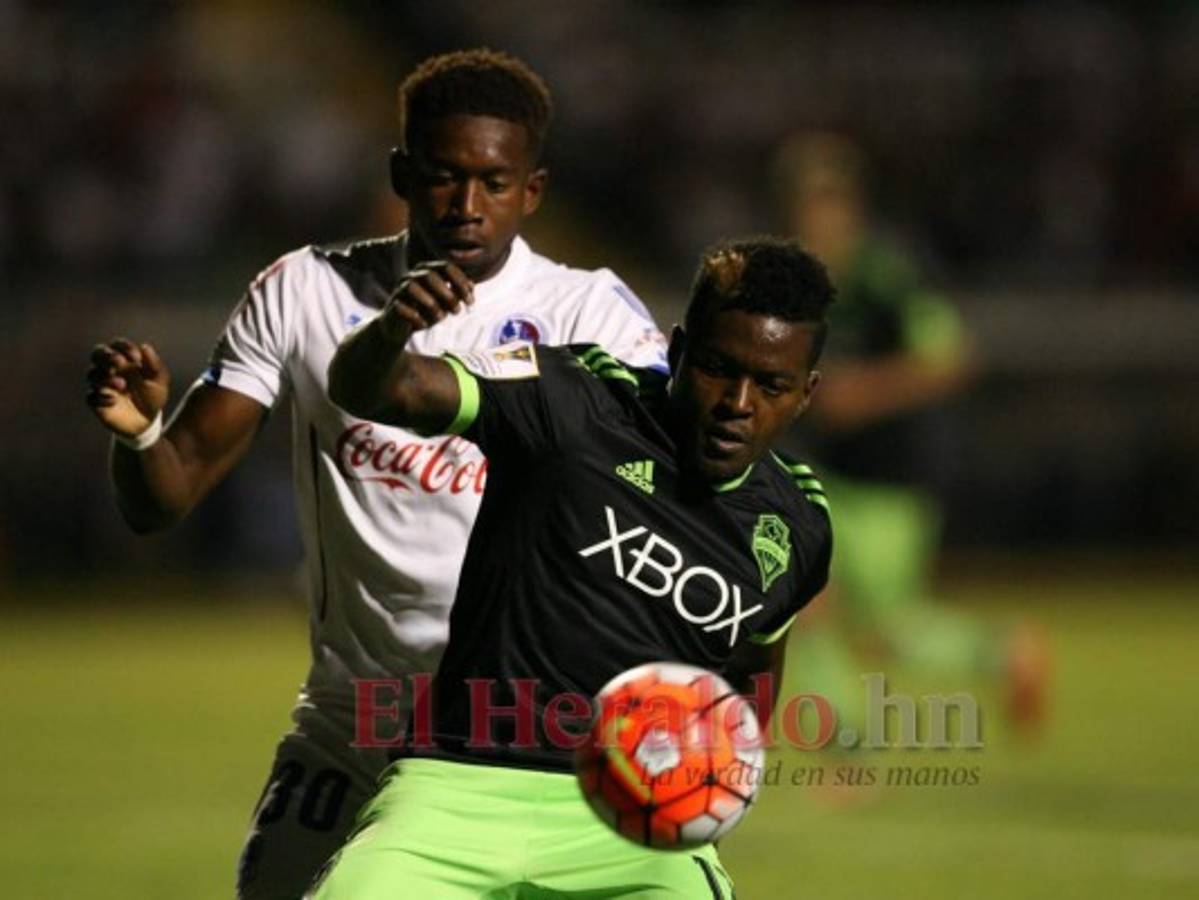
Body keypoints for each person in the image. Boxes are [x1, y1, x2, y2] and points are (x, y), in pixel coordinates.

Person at [83, 49, 669, 899]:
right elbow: (165, 494)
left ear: (532, 190)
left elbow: (665, 484)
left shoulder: (589, 314)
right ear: (401, 171)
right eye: (441, 177)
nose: (466, 207)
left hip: (517, 728)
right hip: (351, 719)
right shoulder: (305, 290)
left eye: (494, 183)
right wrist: (140, 434)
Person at [306, 236, 835, 897]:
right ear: (675, 351)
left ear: (805, 392)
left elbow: (755, 670)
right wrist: (391, 332)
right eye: (716, 368)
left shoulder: (797, 527)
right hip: (456, 787)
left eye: (771, 385)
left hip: (637, 825)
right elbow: (382, 391)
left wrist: (710, 796)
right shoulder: (570, 401)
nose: (737, 402)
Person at [772, 132, 1046, 732]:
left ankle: (1000, 652)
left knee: (887, 633)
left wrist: (865, 392)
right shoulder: (794, 282)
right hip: (821, 470)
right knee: (800, 598)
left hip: (891, 475)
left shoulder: (887, 274)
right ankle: (844, 746)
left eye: (831, 199)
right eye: (808, 200)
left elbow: (950, 359)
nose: (820, 213)